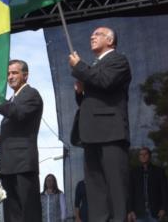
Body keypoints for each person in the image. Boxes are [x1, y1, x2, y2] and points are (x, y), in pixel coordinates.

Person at [68, 26, 132, 222]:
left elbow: (106, 81)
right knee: (95, 189)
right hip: (91, 134)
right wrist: (80, 92)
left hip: (111, 133)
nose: (92, 37)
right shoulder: (93, 66)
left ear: (110, 40)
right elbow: (89, 102)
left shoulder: (118, 60)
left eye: (97, 34)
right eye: (92, 34)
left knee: (115, 188)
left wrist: (79, 66)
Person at [0, 59, 43, 222]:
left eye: (14, 73)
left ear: (25, 75)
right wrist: (4, 139)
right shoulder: (12, 99)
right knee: (12, 214)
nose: (10, 77)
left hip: (22, 164)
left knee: (27, 212)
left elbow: (19, 113)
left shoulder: (31, 94)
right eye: (8, 74)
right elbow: (16, 120)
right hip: (8, 165)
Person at [128, 147, 168, 222]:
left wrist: (164, 208)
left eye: (145, 154)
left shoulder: (159, 171)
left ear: (150, 156)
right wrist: (130, 210)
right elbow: (131, 192)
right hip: (139, 212)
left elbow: (165, 192)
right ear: (139, 157)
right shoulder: (134, 172)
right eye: (141, 154)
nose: (143, 156)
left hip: (155, 212)